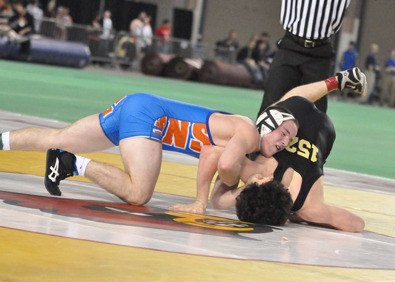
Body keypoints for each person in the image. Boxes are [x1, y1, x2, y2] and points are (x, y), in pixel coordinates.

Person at [0, 93, 300, 206]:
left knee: (59, 135)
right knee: (138, 194)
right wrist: (203, 201)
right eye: (284, 132)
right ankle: (70, 164)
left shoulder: (241, 135)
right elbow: (224, 166)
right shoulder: (247, 132)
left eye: (290, 140)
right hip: (149, 117)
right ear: (269, 120)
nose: (285, 141)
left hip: (139, 105)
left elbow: (211, 154)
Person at [169, 67, 367, 232]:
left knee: (274, 121)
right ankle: (336, 81)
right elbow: (358, 224)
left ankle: (336, 82)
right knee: (277, 114)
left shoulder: (309, 207)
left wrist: (307, 216)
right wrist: (202, 201)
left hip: (322, 136)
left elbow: (357, 224)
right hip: (319, 129)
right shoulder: (301, 201)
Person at [257, 0, 351, 115]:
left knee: (316, 111)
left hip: (320, 52)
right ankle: (263, 131)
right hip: (290, 45)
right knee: (272, 103)